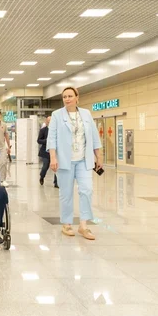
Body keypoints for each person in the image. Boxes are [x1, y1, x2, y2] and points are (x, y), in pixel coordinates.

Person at [47, 86, 102, 240]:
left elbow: (94, 136)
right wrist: (53, 158)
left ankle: (83, 225)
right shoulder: (57, 115)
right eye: (64, 97)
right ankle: (66, 224)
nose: (67, 99)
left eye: (70, 96)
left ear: (77, 97)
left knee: (87, 190)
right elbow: (52, 138)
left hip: (84, 160)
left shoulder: (86, 113)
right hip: (65, 161)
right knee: (66, 193)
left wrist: (99, 156)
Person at [37, 116, 58, 188]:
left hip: (55, 151)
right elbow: (39, 140)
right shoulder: (43, 130)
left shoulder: (57, 130)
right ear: (46, 122)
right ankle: (42, 176)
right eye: (49, 121)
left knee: (56, 167)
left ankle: (56, 182)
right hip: (45, 152)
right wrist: (46, 141)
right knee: (45, 166)